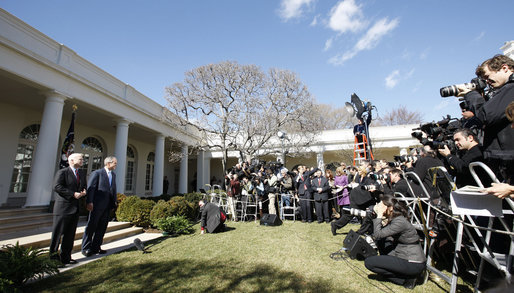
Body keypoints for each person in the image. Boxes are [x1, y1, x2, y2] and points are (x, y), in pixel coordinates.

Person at [460, 54, 514, 181]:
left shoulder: (511, 88)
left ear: (504, 68)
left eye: (488, 77)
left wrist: (471, 95)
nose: (487, 83)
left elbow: (486, 116)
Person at [364, 196, 426, 289]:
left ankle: (406, 279)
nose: (379, 207)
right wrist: (376, 217)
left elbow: (377, 234)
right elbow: (381, 235)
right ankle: (406, 275)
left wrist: (380, 215)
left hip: (413, 262)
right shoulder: (396, 218)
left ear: (391, 207)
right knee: (382, 242)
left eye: (382, 206)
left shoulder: (399, 222)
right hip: (403, 255)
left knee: (369, 263)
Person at [50, 153, 87, 265]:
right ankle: (54, 259)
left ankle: (66, 257)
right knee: (57, 235)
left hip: (75, 208)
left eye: (82, 159)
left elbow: (83, 186)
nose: (82, 161)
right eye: (80, 159)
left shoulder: (81, 173)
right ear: (71, 160)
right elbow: (57, 186)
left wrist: (84, 192)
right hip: (63, 208)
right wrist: (72, 194)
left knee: (70, 235)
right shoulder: (63, 172)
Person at [81, 156, 118, 257]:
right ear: (108, 163)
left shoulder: (113, 175)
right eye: (115, 163)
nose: (116, 164)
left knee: (102, 227)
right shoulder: (97, 173)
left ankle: (96, 247)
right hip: (96, 205)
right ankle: (86, 248)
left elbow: (113, 189)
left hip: (107, 206)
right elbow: (91, 188)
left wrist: (114, 201)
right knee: (91, 226)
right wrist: (89, 202)